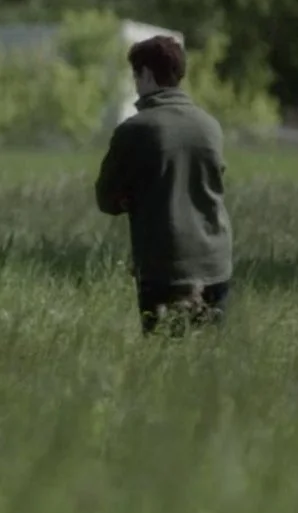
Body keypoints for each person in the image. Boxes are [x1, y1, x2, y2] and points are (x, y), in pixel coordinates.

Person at [95, 35, 233, 335]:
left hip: (165, 267)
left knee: (165, 360)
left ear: (146, 74)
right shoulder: (210, 126)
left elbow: (105, 199)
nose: (135, 83)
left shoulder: (134, 130)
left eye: (136, 74)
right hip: (217, 262)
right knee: (210, 363)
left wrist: (131, 199)